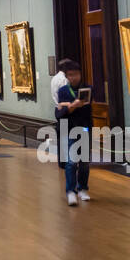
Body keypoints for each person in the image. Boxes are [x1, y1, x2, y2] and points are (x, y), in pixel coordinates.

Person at [52, 59, 90, 206]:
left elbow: (86, 107)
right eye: (71, 75)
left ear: (80, 74)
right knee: (71, 162)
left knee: (85, 162)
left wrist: (68, 105)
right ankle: (70, 191)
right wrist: (71, 106)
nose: (74, 77)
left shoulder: (87, 88)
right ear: (67, 76)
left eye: (76, 74)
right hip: (69, 128)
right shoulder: (63, 91)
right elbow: (61, 111)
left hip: (84, 127)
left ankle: (83, 189)